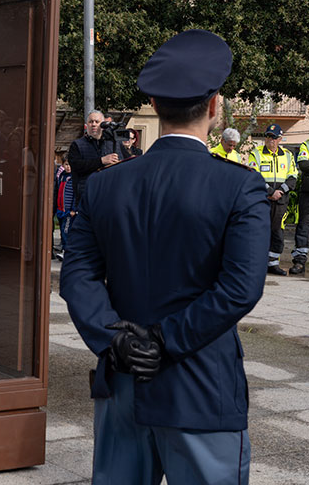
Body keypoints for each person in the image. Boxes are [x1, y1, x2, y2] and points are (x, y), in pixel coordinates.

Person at [60, 30, 268, 485]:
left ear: (153, 104)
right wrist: (164, 342)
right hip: (199, 387)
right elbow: (240, 288)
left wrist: (115, 341)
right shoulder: (239, 185)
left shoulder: (105, 185)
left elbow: (77, 277)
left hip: (121, 383)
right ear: (214, 106)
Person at [247, 123, 297, 275]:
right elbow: (253, 175)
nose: (271, 140)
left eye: (274, 137)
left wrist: (280, 191)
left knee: (277, 231)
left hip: (280, 200)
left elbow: (293, 177)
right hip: (262, 198)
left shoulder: (287, 155)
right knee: (259, 230)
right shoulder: (256, 153)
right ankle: (256, 263)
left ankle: (273, 264)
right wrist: (269, 191)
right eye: (268, 136)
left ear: (280, 139)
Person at [67, 110, 123, 207]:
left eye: (97, 122)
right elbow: (76, 166)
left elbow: (126, 163)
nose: (93, 124)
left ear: (103, 124)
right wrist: (101, 161)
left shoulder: (114, 143)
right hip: (86, 196)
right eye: (91, 122)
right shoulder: (77, 145)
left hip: (109, 195)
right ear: (86, 125)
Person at [291, 137, 309, 274]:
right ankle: (300, 261)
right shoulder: (305, 145)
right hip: (307, 192)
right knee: (303, 225)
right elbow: (303, 164)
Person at [54, 155, 74, 259]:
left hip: (68, 211)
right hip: (61, 209)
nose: (68, 167)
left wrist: (73, 209)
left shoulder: (74, 177)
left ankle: (66, 251)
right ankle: (64, 248)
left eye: (70, 165)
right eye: (66, 164)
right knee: (62, 231)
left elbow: (76, 195)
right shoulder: (62, 176)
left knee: (66, 231)